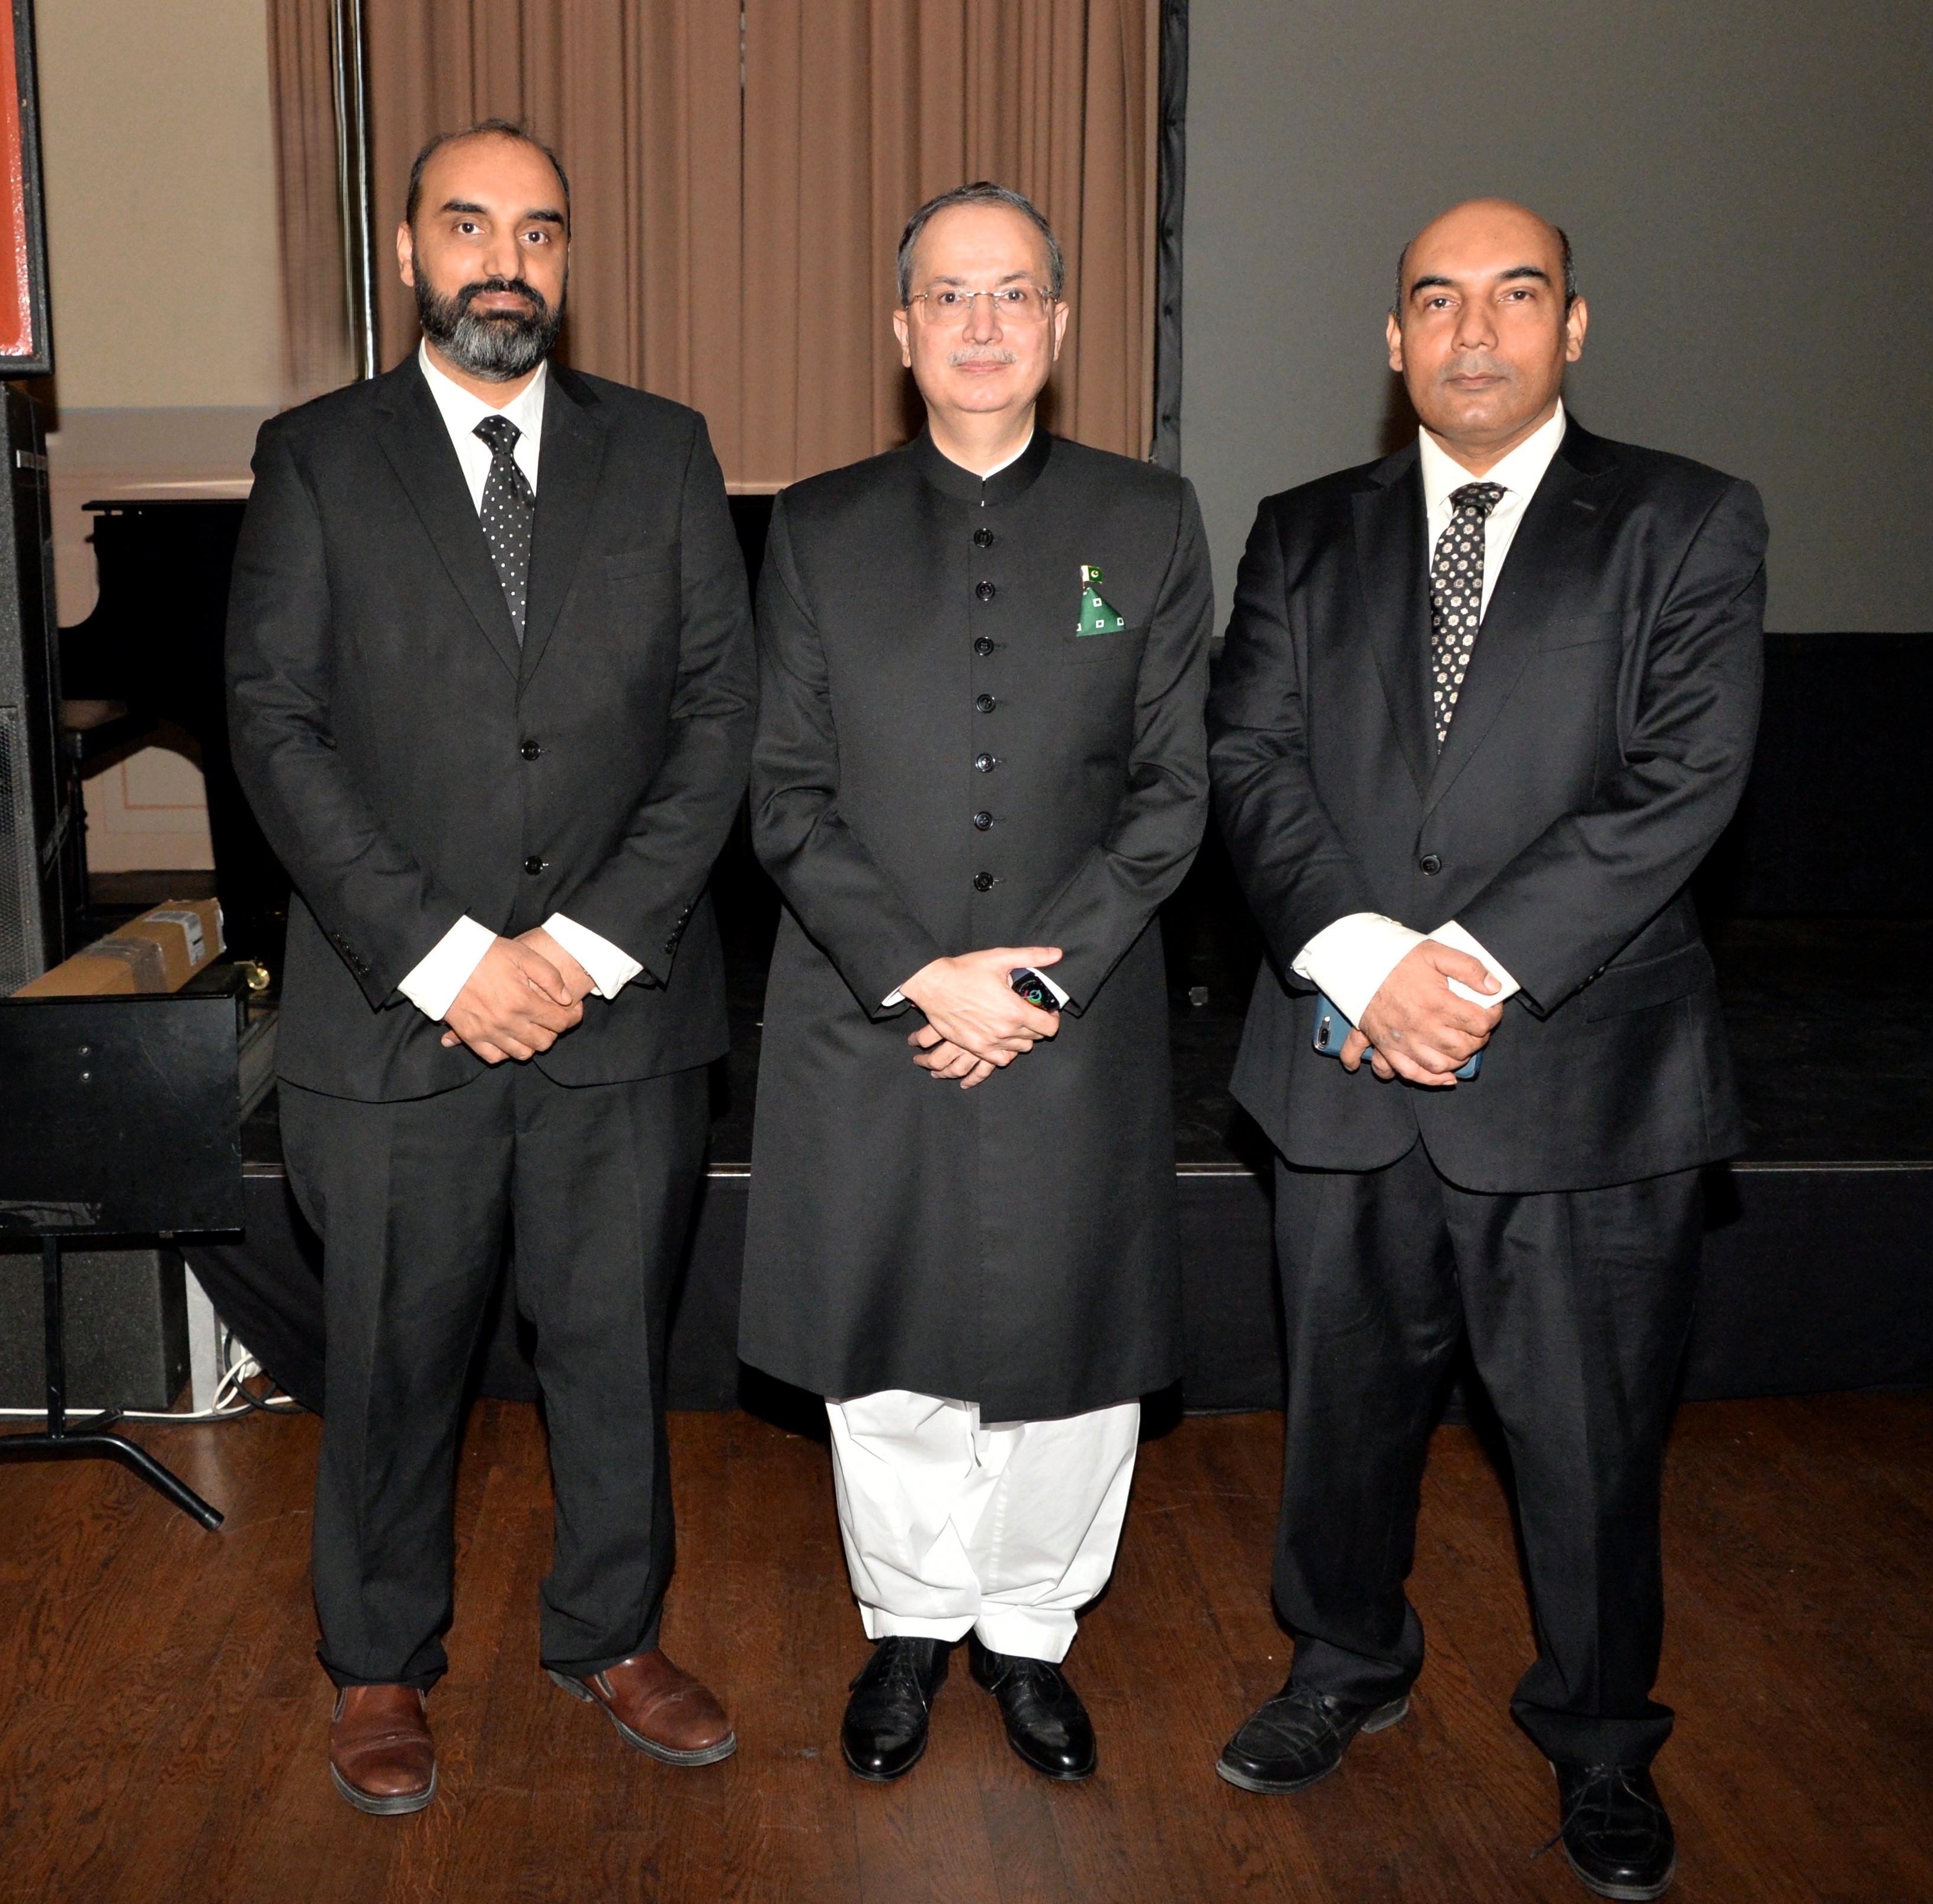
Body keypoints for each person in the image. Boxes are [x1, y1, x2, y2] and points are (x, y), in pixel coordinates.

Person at [1207, 198, 1765, 1899]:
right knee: (1342, 1419)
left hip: (1587, 1080)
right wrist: (1367, 965)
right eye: (1435, 300)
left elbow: (1685, 778)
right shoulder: (1304, 532)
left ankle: (1599, 1737)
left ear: (1571, 328)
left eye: (1515, 295)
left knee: (1591, 1445)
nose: (1473, 329)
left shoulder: (1683, 519)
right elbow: (1250, 761)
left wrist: (1464, 967)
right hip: (1344, 1063)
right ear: (1393, 341)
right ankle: (1343, 1666)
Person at [226, 120, 755, 1814]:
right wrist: (449, 957)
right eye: (468, 225)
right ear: (409, 254)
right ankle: (379, 1660)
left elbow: (720, 722)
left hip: (620, 1011)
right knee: (393, 1361)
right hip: (397, 1020)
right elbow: (277, 730)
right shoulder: (318, 457)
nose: (504, 260)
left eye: (538, 230)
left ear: (567, 260)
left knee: (614, 1351)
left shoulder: (664, 452)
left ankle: (614, 1632)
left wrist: (583, 950)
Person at [741, 182, 1213, 1784]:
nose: (984, 322)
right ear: (902, 331)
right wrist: (919, 974)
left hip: (1081, 1010)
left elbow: (1175, 793)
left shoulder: (1151, 520)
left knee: (1071, 1348)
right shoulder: (815, 529)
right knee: (885, 1339)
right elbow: (784, 795)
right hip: (868, 1007)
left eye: (1014, 292)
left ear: (1061, 325)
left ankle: (1028, 1632)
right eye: (950, 294)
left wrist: (1037, 985)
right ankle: (910, 1620)